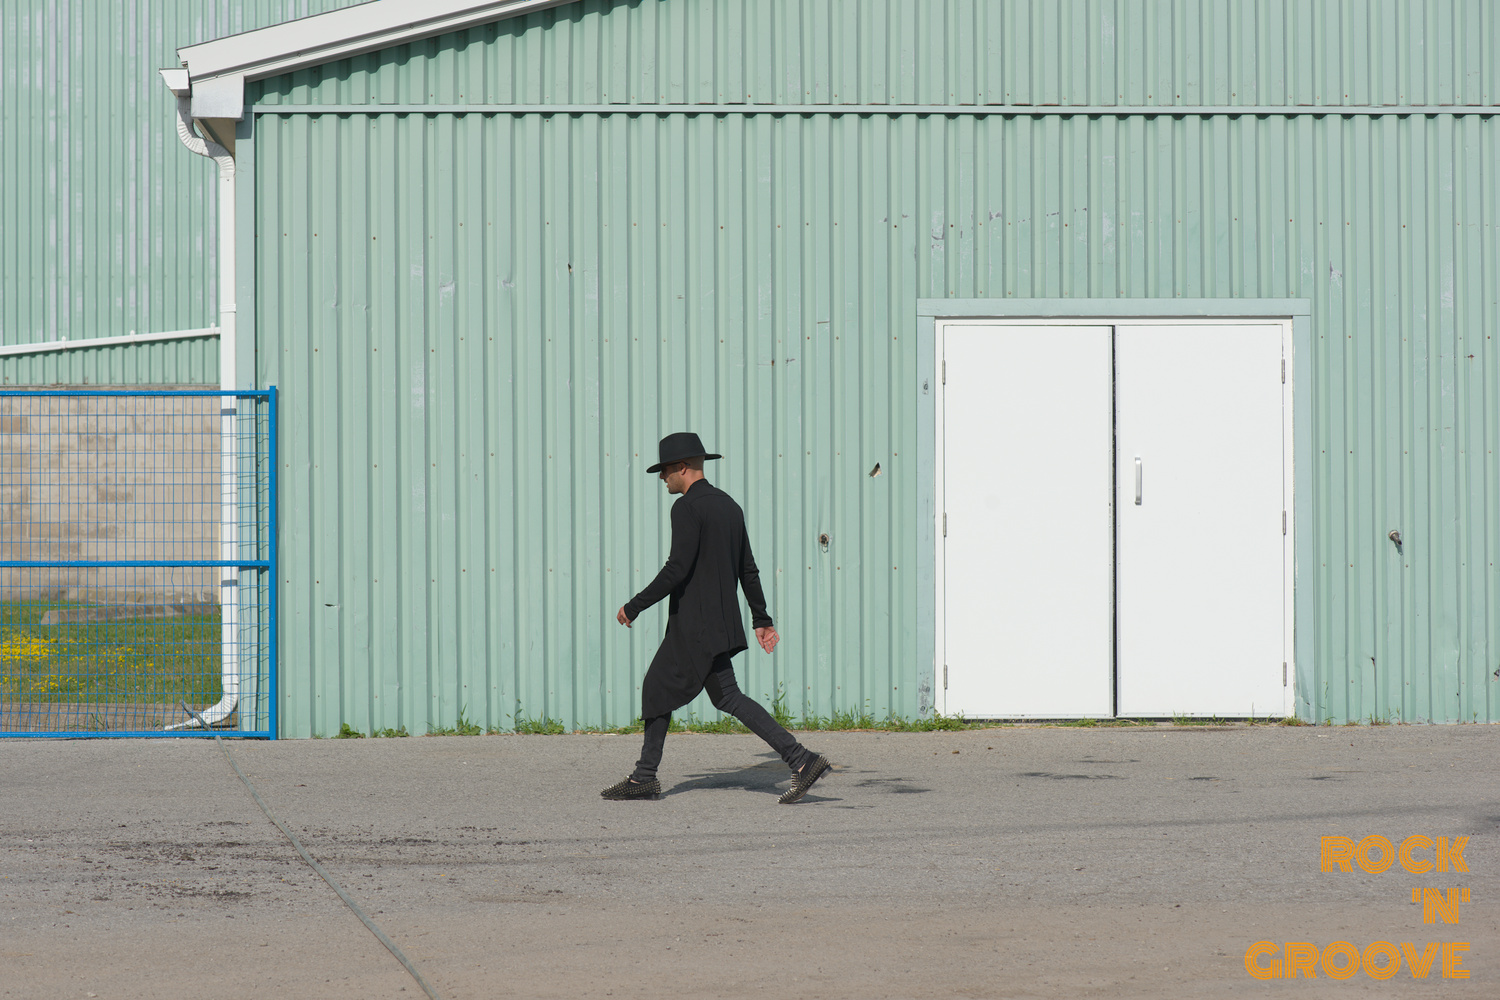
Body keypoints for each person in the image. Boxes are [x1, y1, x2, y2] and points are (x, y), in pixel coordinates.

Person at [603, 432, 832, 804]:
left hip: (694, 626)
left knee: (665, 688)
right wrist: (761, 618)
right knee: (720, 695)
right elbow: (748, 570)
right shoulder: (729, 506)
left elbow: (676, 569)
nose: (662, 477)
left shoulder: (686, 508)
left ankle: (644, 778)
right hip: (719, 624)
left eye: (664, 470)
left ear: (682, 467)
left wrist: (634, 605)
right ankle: (800, 759)